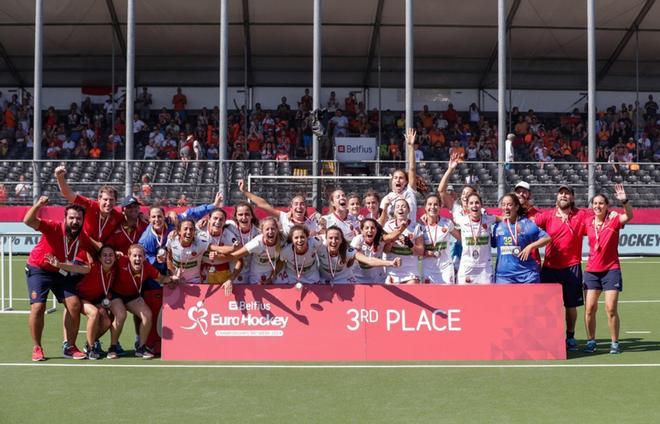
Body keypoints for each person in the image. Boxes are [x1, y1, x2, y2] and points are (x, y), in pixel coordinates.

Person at [23, 197, 97, 361]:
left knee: (74, 304)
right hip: (39, 269)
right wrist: (38, 205)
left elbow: (94, 248)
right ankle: (37, 347)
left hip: (61, 271)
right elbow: (27, 221)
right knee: (38, 306)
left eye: (78, 218)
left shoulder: (82, 237)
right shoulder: (53, 227)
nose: (75, 221)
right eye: (71, 218)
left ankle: (70, 347)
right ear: (65, 218)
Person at [535, 185, 588, 351]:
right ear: (556, 197)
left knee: (571, 306)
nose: (564, 196)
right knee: (546, 306)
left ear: (572, 197)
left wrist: (614, 213)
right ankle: (547, 336)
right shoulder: (547, 216)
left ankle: (570, 336)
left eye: (567, 194)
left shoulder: (581, 215)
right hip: (550, 267)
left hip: (572, 267)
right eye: (561, 193)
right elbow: (526, 225)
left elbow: (600, 220)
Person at [583, 184, 633, 354]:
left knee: (610, 308)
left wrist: (624, 201)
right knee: (589, 308)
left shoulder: (613, 219)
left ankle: (614, 343)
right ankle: (591, 341)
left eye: (601, 203)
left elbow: (630, 216)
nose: (597, 206)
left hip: (611, 269)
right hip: (591, 271)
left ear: (607, 206)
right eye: (595, 203)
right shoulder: (587, 222)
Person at [109, 244, 175, 359]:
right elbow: (107, 260)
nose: (137, 259)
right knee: (121, 315)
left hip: (133, 296)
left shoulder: (147, 267)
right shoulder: (120, 261)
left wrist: (172, 279)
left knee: (147, 315)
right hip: (116, 295)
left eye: (140, 256)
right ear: (128, 256)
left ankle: (141, 348)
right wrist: (114, 254)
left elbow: (161, 278)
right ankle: (113, 347)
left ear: (144, 258)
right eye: (134, 256)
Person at [55, 165, 123, 244]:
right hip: (81, 249)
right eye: (105, 199)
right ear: (99, 199)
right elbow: (68, 194)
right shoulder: (89, 205)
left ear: (116, 201)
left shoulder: (117, 216)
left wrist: (140, 215)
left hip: (100, 252)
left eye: (111, 200)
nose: (108, 203)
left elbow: (129, 216)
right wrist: (60, 178)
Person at [492, 193, 550, 284]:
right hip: (504, 277)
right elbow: (492, 244)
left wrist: (530, 246)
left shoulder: (526, 224)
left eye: (509, 205)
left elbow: (547, 238)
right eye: (503, 205)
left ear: (516, 207)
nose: (506, 207)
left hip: (527, 275)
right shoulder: (498, 225)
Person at [74, 245, 117, 359]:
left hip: (96, 299)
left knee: (107, 322)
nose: (108, 258)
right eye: (105, 255)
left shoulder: (113, 271)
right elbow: (74, 268)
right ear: (99, 258)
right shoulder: (92, 266)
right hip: (80, 298)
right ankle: (91, 349)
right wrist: (59, 265)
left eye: (111, 255)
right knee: (94, 313)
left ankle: (89, 344)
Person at [238, 180, 320, 238]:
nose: (299, 207)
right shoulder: (284, 217)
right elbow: (263, 204)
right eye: (296, 204)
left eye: (302, 204)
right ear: (291, 208)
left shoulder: (312, 224)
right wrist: (244, 191)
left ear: (306, 208)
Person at [417, 195, 461, 284]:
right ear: (425, 207)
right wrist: (425, 252)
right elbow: (415, 249)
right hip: (427, 269)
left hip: (446, 268)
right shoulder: (420, 225)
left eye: (436, 204)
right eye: (429, 204)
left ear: (440, 207)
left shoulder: (447, 223)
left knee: (448, 296)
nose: (432, 207)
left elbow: (461, 238)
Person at [380, 128, 419, 225]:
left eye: (401, 178)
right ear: (391, 181)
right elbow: (382, 222)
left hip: (411, 233)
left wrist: (410, 146)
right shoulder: (386, 199)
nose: (398, 180)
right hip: (393, 235)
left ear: (406, 182)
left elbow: (412, 168)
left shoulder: (410, 192)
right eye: (395, 178)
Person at [229, 216, 284, 284]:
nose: (270, 232)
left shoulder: (282, 241)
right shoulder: (256, 243)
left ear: (277, 230)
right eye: (267, 229)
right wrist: (218, 257)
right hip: (256, 275)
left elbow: (282, 260)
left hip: (273, 274)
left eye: (273, 229)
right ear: (262, 231)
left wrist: (272, 277)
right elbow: (234, 255)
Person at [455, 193, 496, 284]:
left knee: (486, 297)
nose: (474, 205)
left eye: (477, 203)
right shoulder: (461, 220)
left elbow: (503, 219)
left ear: (481, 205)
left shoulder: (489, 219)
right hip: (467, 266)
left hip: (484, 267)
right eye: (471, 203)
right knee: (464, 296)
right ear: (467, 206)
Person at [350, 218, 404, 283]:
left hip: (378, 281)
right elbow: (369, 261)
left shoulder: (380, 240)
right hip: (358, 281)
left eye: (372, 228)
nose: (370, 230)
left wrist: (403, 228)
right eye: (366, 228)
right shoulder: (357, 240)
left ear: (376, 230)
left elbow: (391, 236)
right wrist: (391, 263)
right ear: (361, 230)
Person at [383, 199, 422, 284]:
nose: (400, 209)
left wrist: (409, 243)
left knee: (412, 290)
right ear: (394, 211)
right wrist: (391, 242)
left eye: (403, 206)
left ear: (408, 210)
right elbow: (385, 250)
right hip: (393, 270)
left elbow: (420, 252)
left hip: (410, 270)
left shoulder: (416, 227)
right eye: (397, 207)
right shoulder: (388, 225)